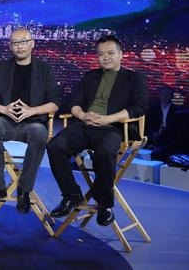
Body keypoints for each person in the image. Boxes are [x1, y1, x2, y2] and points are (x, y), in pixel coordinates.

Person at [47, 35, 147, 226]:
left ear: (121, 54)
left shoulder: (134, 78)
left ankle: (105, 204)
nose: (105, 57)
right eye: (101, 54)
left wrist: (109, 118)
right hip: (85, 124)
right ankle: (71, 195)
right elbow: (73, 102)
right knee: (55, 146)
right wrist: (83, 115)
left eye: (110, 53)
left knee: (104, 152)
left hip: (113, 128)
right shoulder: (90, 76)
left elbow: (139, 107)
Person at [0, 27, 61, 213]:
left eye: (23, 41)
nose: (20, 46)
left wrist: (32, 111)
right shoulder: (1, 68)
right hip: (5, 121)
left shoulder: (44, 69)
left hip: (33, 123)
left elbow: (55, 103)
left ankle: (24, 190)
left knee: (40, 133)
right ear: (10, 46)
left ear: (32, 43)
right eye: (15, 43)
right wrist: (4, 109)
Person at [146, 86, 180, 160]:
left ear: (172, 96)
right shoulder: (153, 109)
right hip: (156, 133)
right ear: (160, 95)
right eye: (163, 94)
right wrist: (154, 133)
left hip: (169, 135)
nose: (165, 96)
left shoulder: (177, 110)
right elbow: (150, 124)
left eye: (168, 94)